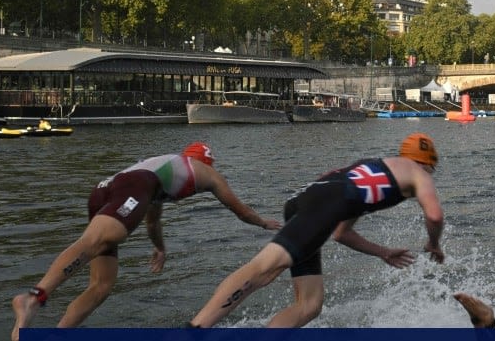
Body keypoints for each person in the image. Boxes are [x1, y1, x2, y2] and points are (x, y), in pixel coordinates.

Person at [10, 142, 281, 341]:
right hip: (130, 187)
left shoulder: (163, 170)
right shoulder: (205, 172)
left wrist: (160, 248)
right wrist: (263, 223)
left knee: (102, 284)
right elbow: (240, 210)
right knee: (97, 241)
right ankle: (35, 296)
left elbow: (152, 221)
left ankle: (57, 339)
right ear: (205, 162)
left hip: (105, 190)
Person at [186, 133, 445, 328]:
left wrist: (383, 252)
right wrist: (434, 243)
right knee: (263, 270)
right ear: (428, 163)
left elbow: (341, 233)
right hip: (324, 205)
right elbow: (434, 215)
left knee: (310, 305)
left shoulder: (373, 168)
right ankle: (191, 334)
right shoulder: (418, 173)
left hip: (308, 199)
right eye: (432, 170)